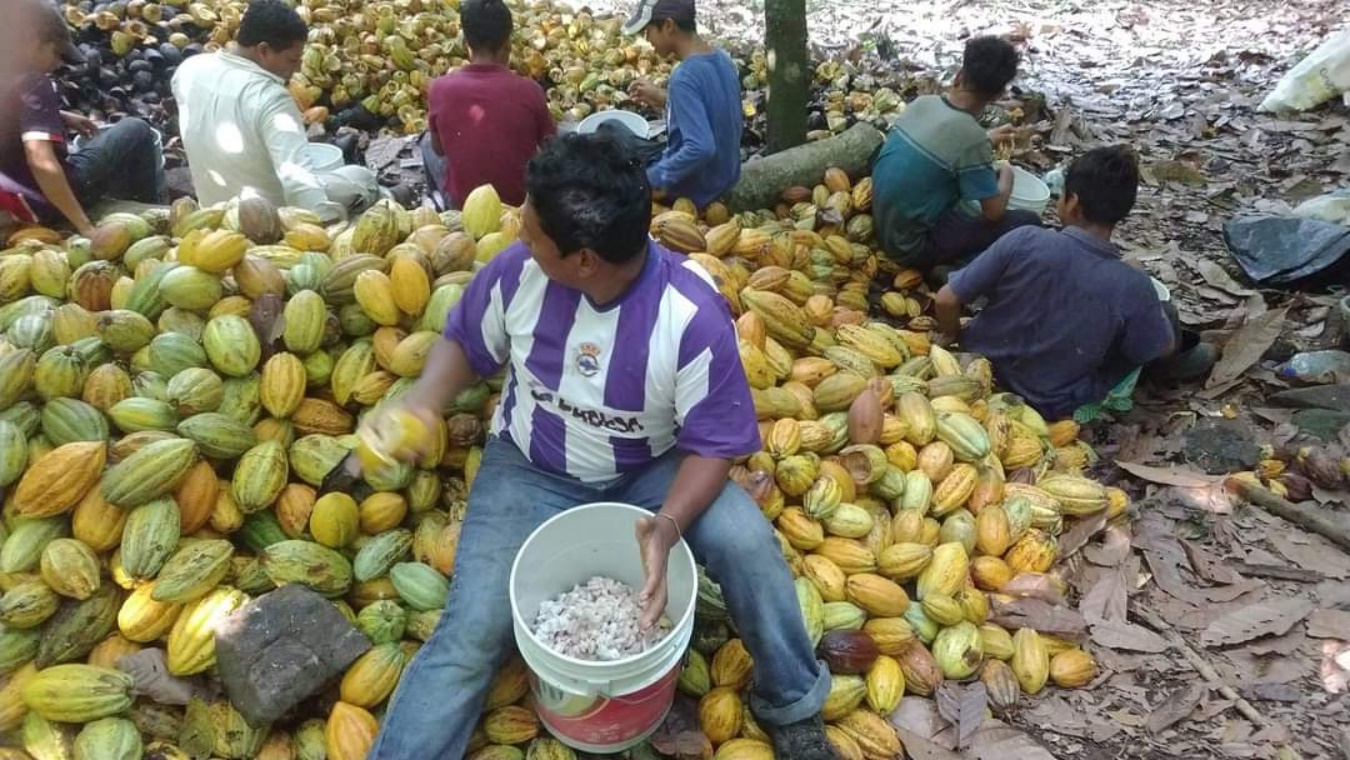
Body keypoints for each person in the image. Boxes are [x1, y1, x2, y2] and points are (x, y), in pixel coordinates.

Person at [367, 133, 834, 759]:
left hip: (653, 469)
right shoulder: (518, 273)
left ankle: (794, 702)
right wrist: (424, 402)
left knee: (748, 545)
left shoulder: (690, 316)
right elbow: (463, 342)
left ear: (584, 258)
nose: (518, 237)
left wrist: (667, 525)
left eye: (532, 232)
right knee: (474, 630)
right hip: (531, 470)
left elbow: (715, 445)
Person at [933, 146, 1216, 422]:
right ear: (1122, 213)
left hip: (979, 369)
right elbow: (1157, 350)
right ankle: (1180, 365)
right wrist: (1142, 290)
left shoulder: (1025, 239)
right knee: (1162, 315)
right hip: (1049, 405)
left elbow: (946, 300)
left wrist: (952, 334)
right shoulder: (1132, 286)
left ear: (1073, 202)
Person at [171, 0, 377, 221]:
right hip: (269, 220)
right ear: (263, 50)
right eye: (292, 58)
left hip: (212, 212)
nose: (298, 67)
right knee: (362, 178)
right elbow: (297, 182)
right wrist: (324, 230)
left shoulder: (189, 69)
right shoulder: (270, 98)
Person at [872, 36, 1040, 270]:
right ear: (998, 95)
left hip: (880, 225)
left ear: (959, 75)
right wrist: (1008, 173)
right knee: (1026, 221)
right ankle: (957, 270)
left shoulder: (923, 103)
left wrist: (985, 139)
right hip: (910, 248)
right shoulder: (972, 138)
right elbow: (994, 213)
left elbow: (947, 144)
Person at [1, 0, 164, 235]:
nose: (58, 64)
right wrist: (85, 226)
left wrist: (57, 115)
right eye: (57, 53)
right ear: (30, 38)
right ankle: (151, 214)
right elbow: (40, 160)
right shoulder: (35, 82)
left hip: (8, 200)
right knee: (135, 128)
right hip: (40, 204)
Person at [421, 0, 555, 210]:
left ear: (465, 42)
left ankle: (442, 206)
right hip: (519, 209)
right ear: (508, 45)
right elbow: (551, 149)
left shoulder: (439, 89)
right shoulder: (530, 91)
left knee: (426, 143)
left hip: (465, 208)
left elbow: (439, 150)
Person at [624, 0, 742, 208]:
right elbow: (713, 110)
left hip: (696, 189)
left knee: (613, 135)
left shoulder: (684, 76)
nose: (647, 40)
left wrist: (652, 178)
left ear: (668, 26)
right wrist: (662, 98)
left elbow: (701, 148)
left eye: (648, 31)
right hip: (725, 176)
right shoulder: (722, 59)